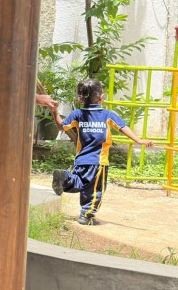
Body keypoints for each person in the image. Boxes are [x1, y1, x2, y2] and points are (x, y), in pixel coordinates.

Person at [51, 78, 152, 225]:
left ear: (81, 97)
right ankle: (87, 215)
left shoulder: (78, 114)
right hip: (99, 162)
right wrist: (138, 140)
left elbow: (61, 126)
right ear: (101, 97)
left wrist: (55, 111)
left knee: (80, 182)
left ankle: (65, 177)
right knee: (95, 190)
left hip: (81, 160)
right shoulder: (107, 115)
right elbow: (123, 127)